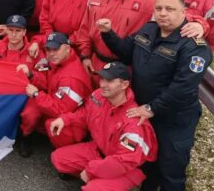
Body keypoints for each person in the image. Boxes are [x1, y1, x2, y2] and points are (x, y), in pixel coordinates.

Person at [99, 0, 213, 191]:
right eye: (159, 8)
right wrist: (108, 34)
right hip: (146, 111)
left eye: (170, 9)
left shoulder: (194, 46)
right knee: (149, 163)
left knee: (171, 170)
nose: (163, 13)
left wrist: (151, 108)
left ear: (184, 11)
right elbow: (126, 53)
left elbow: (183, 88)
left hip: (173, 118)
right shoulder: (149, 29)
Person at [50, 62, 158, 191]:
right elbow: (85, 113)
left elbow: (123, 162)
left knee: (94, 189)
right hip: (101, 151)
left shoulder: (133, 122)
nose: (102, 84)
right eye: (102, 78)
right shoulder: (99, 95)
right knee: (58, 159)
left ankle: (100, 182)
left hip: (128, 168)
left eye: (110, 81)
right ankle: (97, 178)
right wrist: (65, 119)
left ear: (124, 85)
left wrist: (91, 171)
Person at [74, 0, 156, 81]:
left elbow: (174, 14)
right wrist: (85, 56)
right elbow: (85, 27)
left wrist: (199, 23)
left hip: (124, 68)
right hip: (96, 63)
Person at [16, 32, 93, 156]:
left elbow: (60, 110)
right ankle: (26, 136)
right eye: (48, 49)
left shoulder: (71, 79)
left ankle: (67, 153)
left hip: (71, 116)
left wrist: (36, 94)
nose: (51, 53)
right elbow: (48, 82)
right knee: (30, 114)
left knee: (54, 125)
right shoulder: (59, 60)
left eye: (56, 49)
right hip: (53, 98)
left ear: (67, 49)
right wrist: (31, 74)